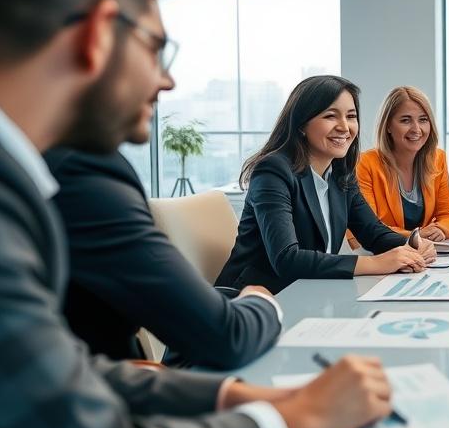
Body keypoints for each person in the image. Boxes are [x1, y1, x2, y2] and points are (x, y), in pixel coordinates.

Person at [0, 0, 395, 428]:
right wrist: (293, 423)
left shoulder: (25, 185)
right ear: (96, 36)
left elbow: (68, 372)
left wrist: (237, 397)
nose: (169, 75)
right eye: (155, 44)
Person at [44, 85, 283, 368]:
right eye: (153, 48)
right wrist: (261, 300)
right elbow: (226, 336)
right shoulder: (81, 169)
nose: (166, 81)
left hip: (125, 376)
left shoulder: (55, 163)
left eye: (352, 116)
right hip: (121, 390)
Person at [217, 75, 436, 295]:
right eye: (331, 116)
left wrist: (413, 242)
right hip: (252, 300)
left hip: (307, 293)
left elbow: (373, 233)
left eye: (351, 116)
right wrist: (378, 263)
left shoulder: (341, 173)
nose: (345, 127)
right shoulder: (273, 171)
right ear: (302, 124)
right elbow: (286, 259)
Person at [350, 86, 449, 245]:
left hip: (426, 256)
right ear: (387, 126)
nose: (416, 129)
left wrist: (441, 229)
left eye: (423, 119)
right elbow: (367, 228)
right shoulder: (365, 164)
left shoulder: (438, 158)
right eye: (405, 120)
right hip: (380, 256)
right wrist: (416, 235)